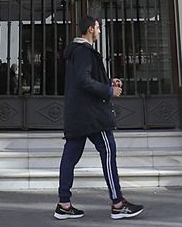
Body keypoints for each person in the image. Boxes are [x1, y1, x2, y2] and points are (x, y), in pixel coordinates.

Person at [54, 16, 142, 221]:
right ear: (90, 30)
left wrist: (108, 81)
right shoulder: (84, 52)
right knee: (109, 151)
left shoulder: (77, 52)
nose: (100, 30)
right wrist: (109, 90)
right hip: (91, 116)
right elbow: (84, 81)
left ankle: (63, 204)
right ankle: (118, 203)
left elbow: (83, 79)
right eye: (98, 27)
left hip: (78, 115)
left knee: (69, 158)